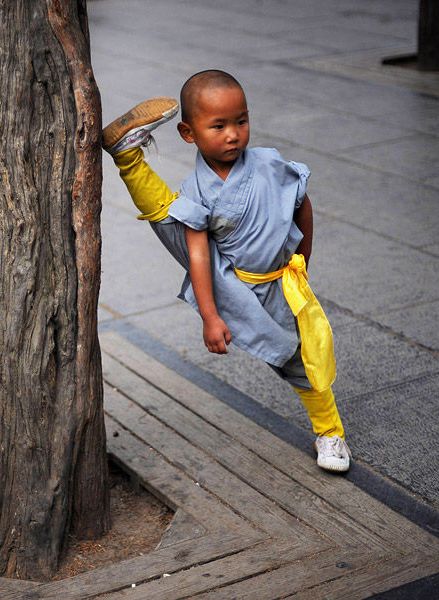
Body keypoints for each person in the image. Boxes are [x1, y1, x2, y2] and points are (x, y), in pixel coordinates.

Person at [102, 70, 351, 472]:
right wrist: (210, 314)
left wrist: (304, 257)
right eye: (218, 126)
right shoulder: (197, 188)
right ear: (188, 133)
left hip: (278, 283)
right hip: (229, 278)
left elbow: (302, 202)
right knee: (176, 221)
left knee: (304, 360)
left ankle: (331, 433)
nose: (233, 134)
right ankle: (128, 157)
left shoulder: (270, 163)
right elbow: (198, 255)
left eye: (241, 121)